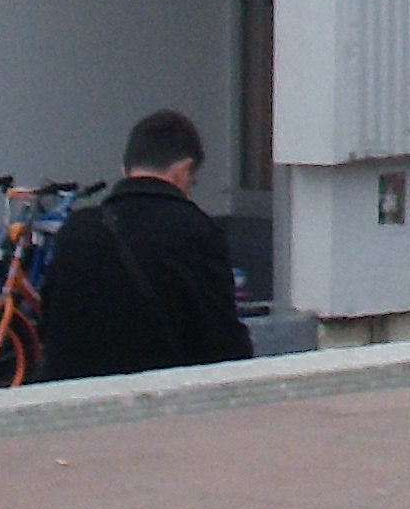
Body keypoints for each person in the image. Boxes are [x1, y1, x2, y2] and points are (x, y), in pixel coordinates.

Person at [36, 111, 254, 377]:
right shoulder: (196, 232)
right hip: (158, 402)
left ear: (125, 170)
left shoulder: (76, 230)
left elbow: (50, 323)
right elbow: (221, 341)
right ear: (182, 171)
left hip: (72, 397)